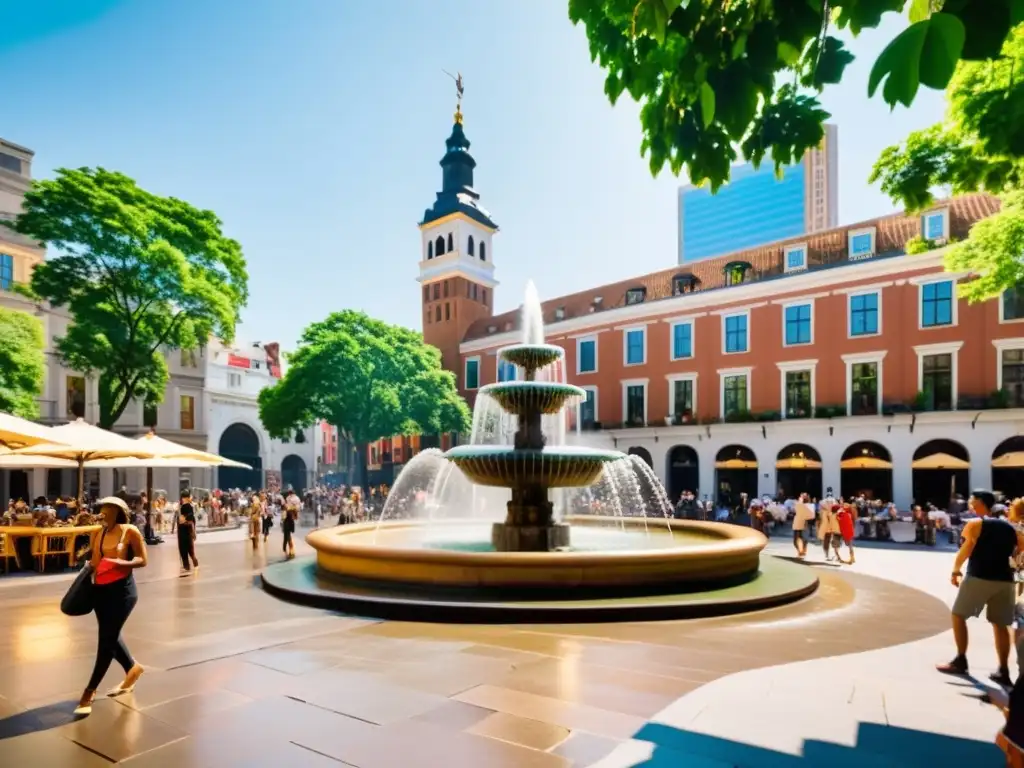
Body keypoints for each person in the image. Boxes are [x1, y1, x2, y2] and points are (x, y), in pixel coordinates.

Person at [938, 490, 1024, 687]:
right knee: (1001, 625)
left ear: (980, 503)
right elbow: (1020, 551)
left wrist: (956, 570)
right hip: (1006, 581)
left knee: (958, 614)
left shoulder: (976, 524)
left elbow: (966, 549)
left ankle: (961, 660)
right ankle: (1003, 670)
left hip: (979, 577)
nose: (969, 503)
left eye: (972, 501)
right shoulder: (1014, 529)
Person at [74, 497, 147, 716]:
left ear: (118, 512)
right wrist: (85, 563)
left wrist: (121, 562)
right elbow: (96, 561)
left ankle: (90, 691)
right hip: (101, 591)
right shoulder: (99, 533)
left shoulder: (130, 531)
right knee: (110, 636)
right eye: (102, 509)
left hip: (123, 592)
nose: (103, 512)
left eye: (108, 509)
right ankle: (132, 669)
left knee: (106, 640)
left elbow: (143, 560)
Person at [176, 490, 199, 576]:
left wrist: (193, 532)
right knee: (188, 550)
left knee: (185, 549)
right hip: (184, 531)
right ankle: (192, 566)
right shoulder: (185, 507)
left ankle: (187, 567)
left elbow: (191, 522)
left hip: (185, 531)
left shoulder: (187, 507)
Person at [791, 493, 813, 558]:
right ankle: (800, 551)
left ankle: (802, 551)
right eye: (802, 496)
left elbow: (811, 516)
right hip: (798, 522)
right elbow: (794, 510)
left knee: (802, 539)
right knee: (797, 539)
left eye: (804, 496)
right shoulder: (799, 504)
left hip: (803, 523)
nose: (802, 497)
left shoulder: (808, 505)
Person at [283, 489, 300, 559]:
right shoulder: (289, 498)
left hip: (290, 517)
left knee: (287, 534)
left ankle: (290, 548)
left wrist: (290, 508)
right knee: (287, 534)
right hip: (288, 517)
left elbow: (297, 508)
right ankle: (288, 548)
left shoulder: (295, 499)